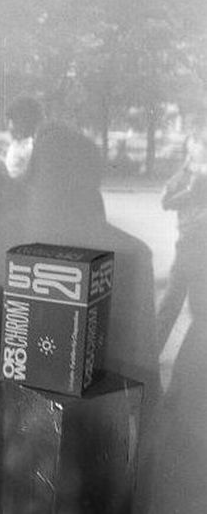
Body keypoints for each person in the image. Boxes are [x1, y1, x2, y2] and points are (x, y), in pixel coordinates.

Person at [0, 94, 161, 513]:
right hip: (32, 431)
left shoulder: (9, 242)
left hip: (87, 432)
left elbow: (146, 372)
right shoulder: (7, 242)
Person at [151, 114, 207, 513]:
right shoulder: (185, 175)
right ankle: (150, 353)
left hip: (202, 249)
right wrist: (191, 187)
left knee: (197, 311)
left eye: (201, 145)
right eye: (195, 144)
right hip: (185, 248)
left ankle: (188, 379)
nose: (198, 150)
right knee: (169, 306)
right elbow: (166, 200)